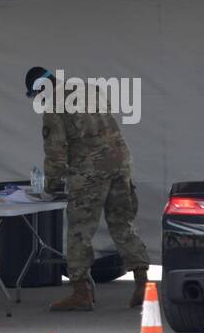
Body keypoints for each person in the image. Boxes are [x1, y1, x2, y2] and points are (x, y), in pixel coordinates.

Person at [25, 66, 150, 311]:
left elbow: (55, 152)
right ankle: (143, 285)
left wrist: (50, 186)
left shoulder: (54, 106)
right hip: (120, 162)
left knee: (79, 230)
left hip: (90, 171)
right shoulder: (89, 89)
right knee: (122, 223)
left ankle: (81, 292)